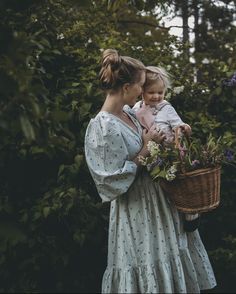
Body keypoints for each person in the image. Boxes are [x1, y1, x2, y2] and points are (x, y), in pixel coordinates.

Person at [84, 49, 216, 293]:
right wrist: (146, 148)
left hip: (160, 202)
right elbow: (108, 179)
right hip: (137, 211)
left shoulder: (129, 114)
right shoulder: (102, 126)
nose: (143, 92)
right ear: (126, 87)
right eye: (141, 86)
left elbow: (152, 142)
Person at [133, 66, 200, 232]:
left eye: (160, 92)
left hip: (170, 152)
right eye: (151, 92)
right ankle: (163, 216)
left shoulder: (166, 108)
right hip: (151, 154)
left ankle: (191, 214)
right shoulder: (136, 109)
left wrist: (184, 128)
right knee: (162, 188)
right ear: (142, 91)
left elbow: (178, 124)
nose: (156, 96)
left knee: (181, 182)